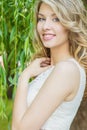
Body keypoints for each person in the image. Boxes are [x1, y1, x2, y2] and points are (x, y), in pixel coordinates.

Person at [12, 0, 87, 130]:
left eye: (56, 19)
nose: (45, 26)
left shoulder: (66, 70)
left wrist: (24, 77)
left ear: (71, 23)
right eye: (41, 19)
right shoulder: (55, 68)